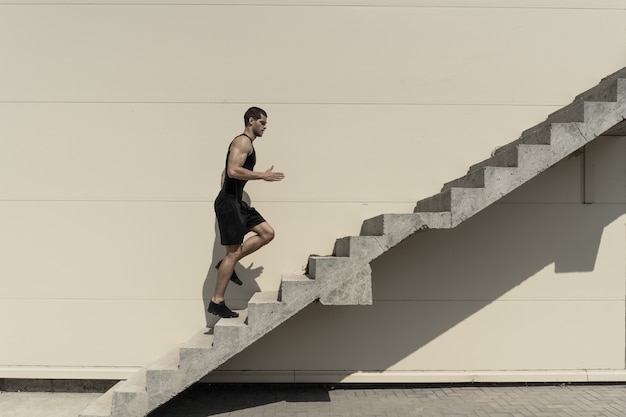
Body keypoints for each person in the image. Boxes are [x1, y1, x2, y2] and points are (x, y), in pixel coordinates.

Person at [209, 107, 285, 318]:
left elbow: (224, 172)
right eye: (262, 123)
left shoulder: (246, 145)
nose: (265, 127)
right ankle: (217, 301)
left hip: (235, 201)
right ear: (251, 121)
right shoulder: (243, 141)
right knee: (232, 254)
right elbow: (233, 171)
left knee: (267, 233)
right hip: (230, 202)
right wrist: (262, 175)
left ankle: (226, 263)